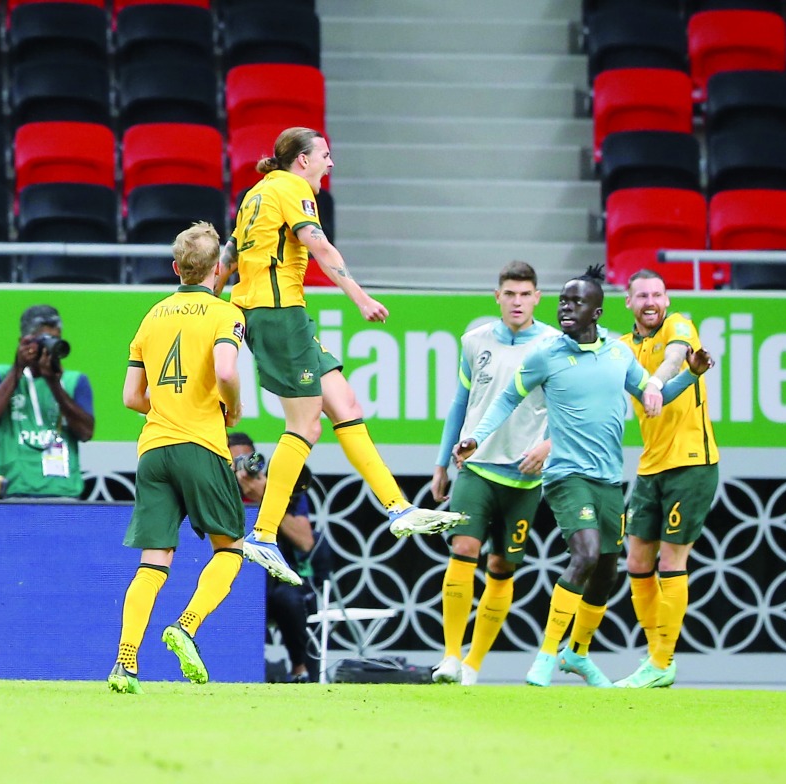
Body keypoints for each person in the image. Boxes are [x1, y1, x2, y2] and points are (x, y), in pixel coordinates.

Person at [215, 126, 464, 586]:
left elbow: (229, 255)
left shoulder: (256, 193)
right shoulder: (293, 188)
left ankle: (398, 507)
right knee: (305, 426)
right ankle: (264, 534)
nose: (330, 163)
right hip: (278, 315)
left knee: (346, 405)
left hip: (277, 315)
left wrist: (210, 300)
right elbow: (321, 247)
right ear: (302, 160)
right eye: (324, 155)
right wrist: (361, 298)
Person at [455, 264, 714, 688]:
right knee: (586, 553)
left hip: (609, 478)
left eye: (576, 302)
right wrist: (475, 438)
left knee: (607, 570)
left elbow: (657, 394)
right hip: (566, 476)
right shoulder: (546, 354)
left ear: (597, 312)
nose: (565, 308)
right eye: (563, 301)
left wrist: (691, 375)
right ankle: (546, 655)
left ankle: (577, 653)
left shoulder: (618, 355)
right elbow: (507, 399)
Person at [108, 221, 248, 694]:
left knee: (153, 561)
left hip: (154, 450)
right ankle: (186, 626)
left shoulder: (152, 316)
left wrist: (168, 404)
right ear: (218, 270)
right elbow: (225, 370)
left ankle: (125, 662)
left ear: (176, 268)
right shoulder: (226, 313)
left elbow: (132, 397)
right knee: (230, 549)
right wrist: (233, 407)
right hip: (201, 446)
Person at [429, 260, 556, 686]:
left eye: (525, 294)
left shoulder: (553, 346)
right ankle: (450, 656)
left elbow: (566, 408)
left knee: (501, 567)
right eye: (510, 294)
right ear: (497, 297)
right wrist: (441, 463)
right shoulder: (474, 341)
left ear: (537, 298)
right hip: (476, 467)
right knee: (463, 549)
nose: (517, 302)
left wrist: (547, 446)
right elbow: (460, 403)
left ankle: (473, 665)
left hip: (524, 474)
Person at [614, 270, 720, 689]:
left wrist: (660, 380)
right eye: (642, 296)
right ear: (628, 302)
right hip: (650, 466)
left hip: (692, 463)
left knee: (672, 562)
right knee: (638, 563)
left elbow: (676, 357)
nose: (651, 302)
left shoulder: (680, 326)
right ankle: (657, 656)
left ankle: (660, 662)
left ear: (667, 299)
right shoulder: (624, 348)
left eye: (657, 294)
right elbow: (642, 394)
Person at [229, 431, 330, 683]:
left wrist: (266, 499)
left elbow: (305, 541)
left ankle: (300, 670)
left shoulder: (279, 489)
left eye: (246, 460)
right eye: (234, 462)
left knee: (289, 598)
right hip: (231, 574)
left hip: (273, 578)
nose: (242, 468)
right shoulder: (215, 488)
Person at [0, 304, 94, 498]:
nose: (48, 348)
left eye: (54, 340)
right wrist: (18, 368)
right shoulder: (1, 374)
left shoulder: (75, 380)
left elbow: (86, 432)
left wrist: (54, 383)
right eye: (42, 341)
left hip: (62, 490)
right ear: (23, 342)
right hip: (15, 487)